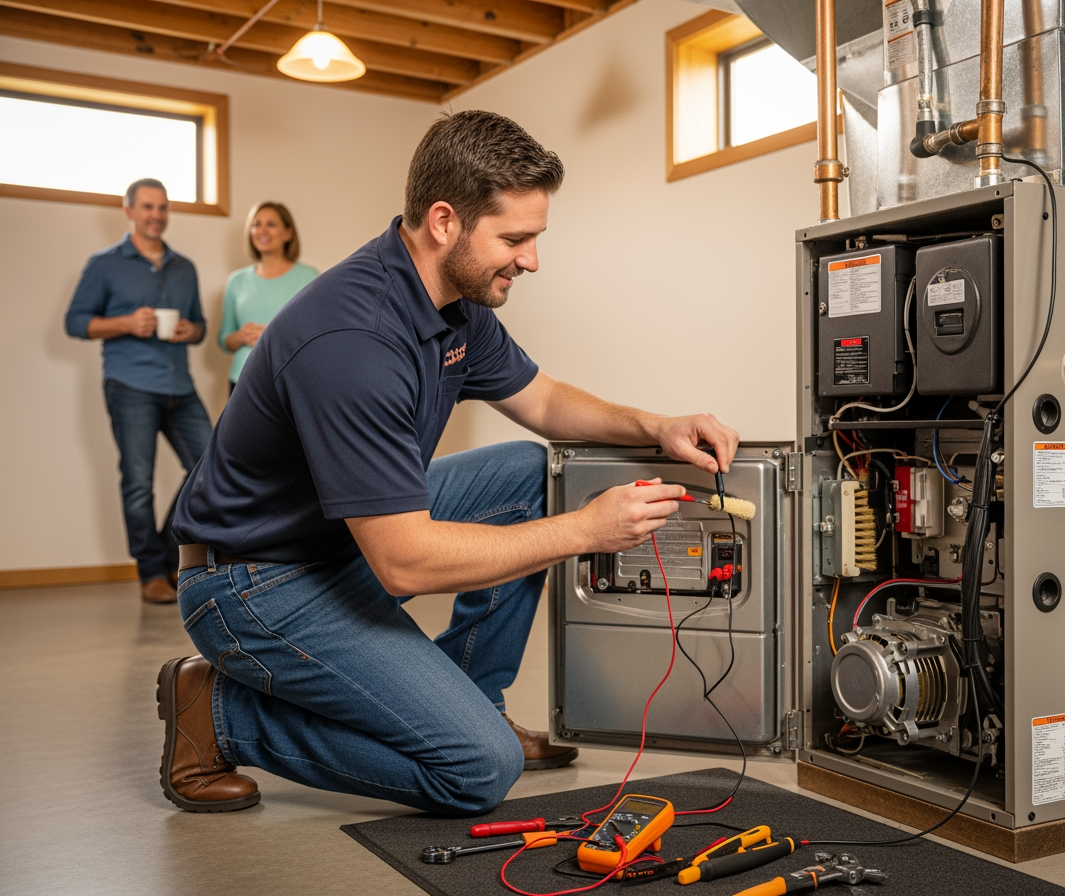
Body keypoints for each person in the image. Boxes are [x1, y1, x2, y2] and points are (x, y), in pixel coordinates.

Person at [160, 110, 738, 816]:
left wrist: (656, 423)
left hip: (335, 542)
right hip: (254, 582)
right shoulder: (354, 340)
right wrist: (585, 530)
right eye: (515, 239)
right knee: (475, 771)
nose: (531, 260)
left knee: (530, 472)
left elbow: (545, 400)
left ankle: (477, 698)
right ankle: (220, 714)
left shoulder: (452, 301)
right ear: (443, 222)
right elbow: (404, 562)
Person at [65, 178, 213, 605]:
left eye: (163, 207)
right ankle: (151, 572)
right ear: (129, 211)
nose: (156, 215)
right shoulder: (104, 264)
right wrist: (126, 323)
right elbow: (76, 323)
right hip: (130, 386)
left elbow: (200, 325)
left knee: (207, 468)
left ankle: (169, 557)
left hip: (180, 387)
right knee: (137, 483)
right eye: (148, 207)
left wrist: (191, 330)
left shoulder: (184, 267)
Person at [219, 202, 318, 395]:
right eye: (256, 224)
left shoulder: (309, 277)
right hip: (241, 381)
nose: (261, 230)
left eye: (271, 224)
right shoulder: (236, 280)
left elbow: (316, 336)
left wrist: (271, 335)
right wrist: (242, 336)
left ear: (288, 233)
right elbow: (224, 339)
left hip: (290, 381)